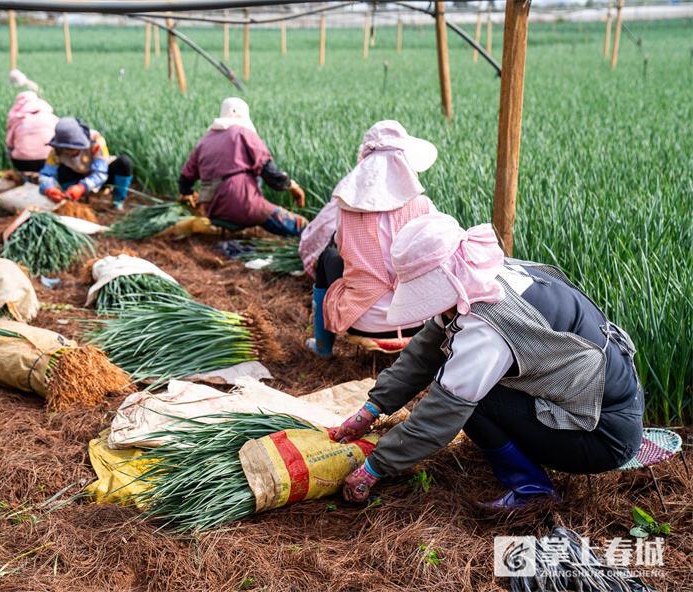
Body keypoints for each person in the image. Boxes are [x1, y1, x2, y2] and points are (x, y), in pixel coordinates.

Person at [334, 212, 644, 510]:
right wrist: (372, 408)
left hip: (602, 433)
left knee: (474, 401)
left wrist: (373, 469)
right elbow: (428, 346)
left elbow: (439, 417)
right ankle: (522, 459)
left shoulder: (486, 327)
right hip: (607, 403)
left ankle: (532, 489)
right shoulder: (482, 276)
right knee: (467, 384)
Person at [305, 120, 438, 358]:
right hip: (418, 318)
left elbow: (342, 249)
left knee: (329, 257)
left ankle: (323, 347)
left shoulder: (347, 210)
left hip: (363, 319)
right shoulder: (423, 206)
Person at [178, 97, 307, 237]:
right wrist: (292, 186)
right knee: (301, 226)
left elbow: (185, 179)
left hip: (212, 208)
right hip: (242, 202)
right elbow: (269, 171)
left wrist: (188, 193)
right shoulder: (243, 133)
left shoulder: (204, 141)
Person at [38, 117, 134, 209]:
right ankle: (70, 198)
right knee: (62, 170)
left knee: (124, 163)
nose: (69, 152)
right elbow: (46, 174)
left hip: (99, 175)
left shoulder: (96, 140)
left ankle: (117, 201)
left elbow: (100, 173)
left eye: (72, 148)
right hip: (75, 174)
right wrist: (48, 188)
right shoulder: (55, 151)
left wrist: (82, 187)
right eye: (65, 149)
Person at [5, 91, 58, 175]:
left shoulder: (18, 118)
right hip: (49, 160)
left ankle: (19, 174)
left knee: (8, 149)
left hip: (22, 163)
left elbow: (9, 143)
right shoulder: (52, 117)